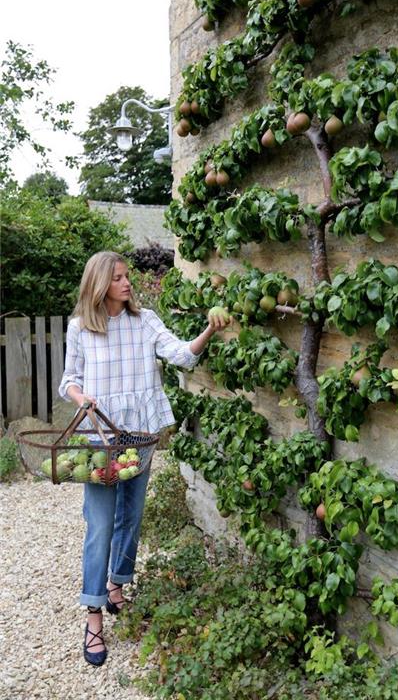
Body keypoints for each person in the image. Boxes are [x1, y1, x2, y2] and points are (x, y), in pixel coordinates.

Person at [58, 250, 230, 666]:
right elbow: (69, 381)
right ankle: (94, 616)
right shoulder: (80, 327)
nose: (126, 283)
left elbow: (182, 355)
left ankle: (118, 584)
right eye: (117, 278)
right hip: (100, 436)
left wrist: (208, 329)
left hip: (140, 434)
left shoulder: (145, 320)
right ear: (99, 283)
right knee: (100, 525)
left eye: (126, 276)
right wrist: (82, 399)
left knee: (130, 517)